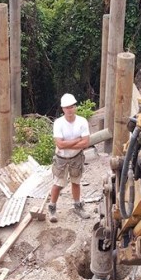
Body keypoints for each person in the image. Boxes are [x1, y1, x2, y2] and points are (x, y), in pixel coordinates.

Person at [48, 93, 91, 223]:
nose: (70, 109)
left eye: (72, 106)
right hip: (61, 158)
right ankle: (52, 207)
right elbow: (59, 144)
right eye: (67, 107)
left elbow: (86, 143)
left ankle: (78, 206)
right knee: (58, 184)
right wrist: (77, 141)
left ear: (75, 107)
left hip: (76, 157)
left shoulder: (82, 121)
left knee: (76, 182)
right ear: (63, 109)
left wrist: (67, 145)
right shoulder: (59, 123)